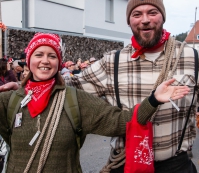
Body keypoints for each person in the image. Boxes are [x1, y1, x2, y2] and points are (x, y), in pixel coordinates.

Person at [64, 0, 199, 173]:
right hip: (126, 163)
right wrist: (25, 86)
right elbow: (70, 90)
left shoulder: (193, 58)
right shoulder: (113, 62)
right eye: (137, 14)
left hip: (176, 166)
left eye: (152, 12)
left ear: (162, 17)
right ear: (129, 21)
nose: (145, 20)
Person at [0, 33, 189, 173]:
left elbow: (120, 121)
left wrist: (154, 99)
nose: (45, 61)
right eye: (38, 54)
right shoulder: (10, 100)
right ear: (28, 60)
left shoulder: (74, 99)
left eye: (52, 56)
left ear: (59, 62)